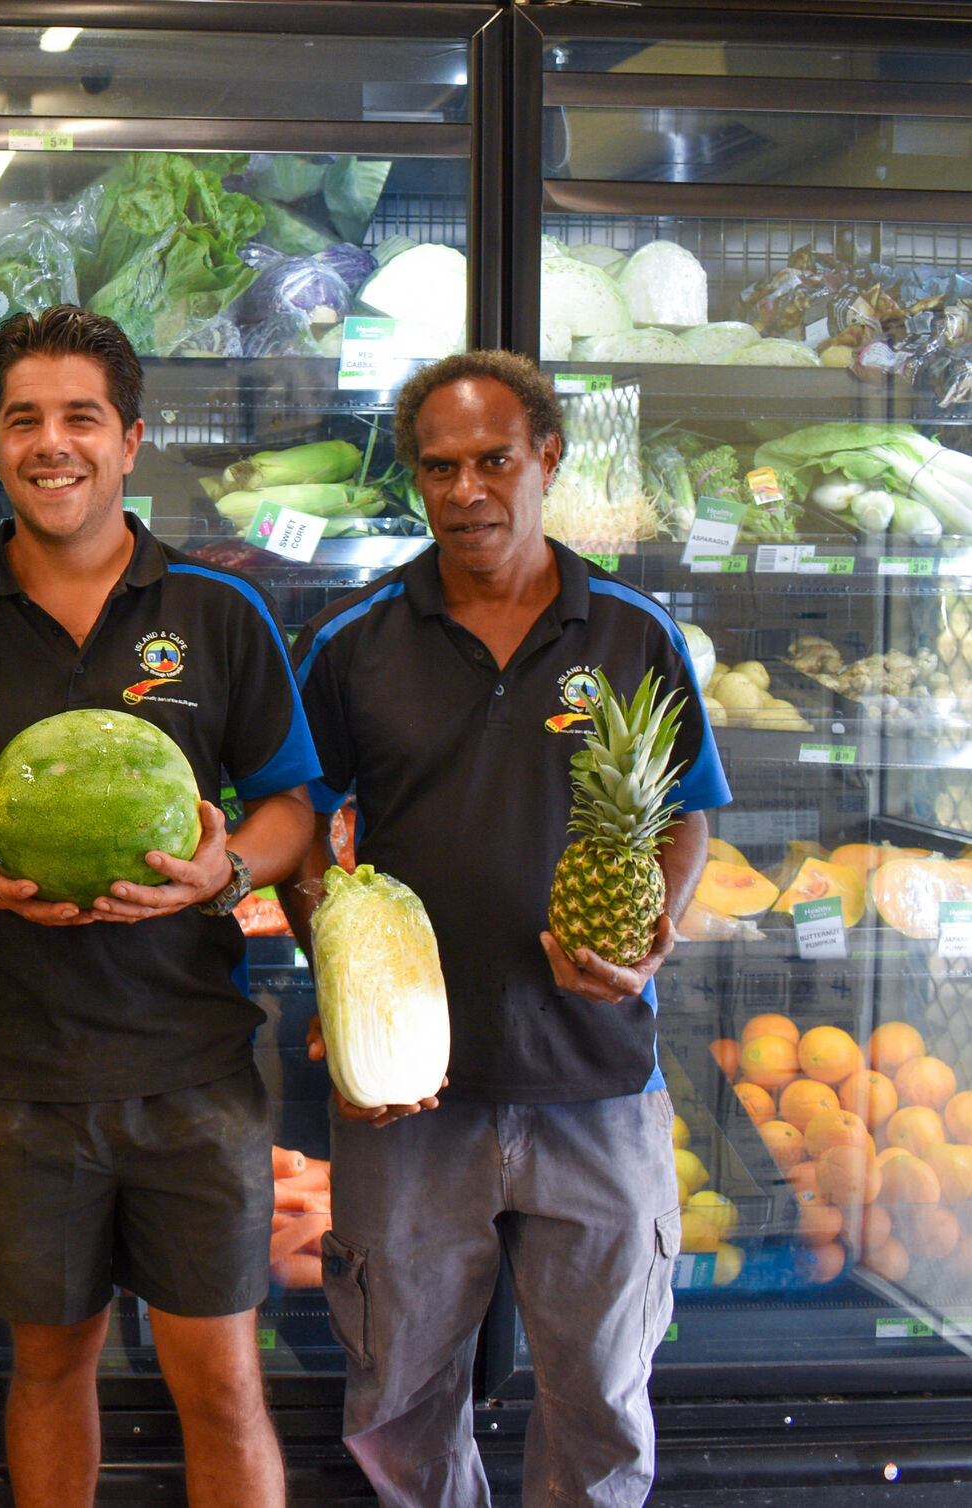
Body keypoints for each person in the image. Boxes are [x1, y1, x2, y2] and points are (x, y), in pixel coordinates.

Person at [0, 305, 316, 1508]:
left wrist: (229, 870)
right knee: (49, 1364)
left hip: (193, 1067)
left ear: (130, 441)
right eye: (24, 420)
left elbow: (290, 807)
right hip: (11, 1071)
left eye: (80, 418)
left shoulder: (220, 612)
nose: (50, 444)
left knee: (218, 1377)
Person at [283, 349, 729, 1507]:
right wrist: (335, 979)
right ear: (415, 480)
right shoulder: (353, 642)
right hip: (412, 1098)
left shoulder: (632, 631)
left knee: (601, 1396)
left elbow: (687, 811)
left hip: (598, 1081)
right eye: (441, 466)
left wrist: (652, 934)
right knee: (399, 1399)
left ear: (547, 459)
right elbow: (295, 831)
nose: (468, 488)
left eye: (493, 460)